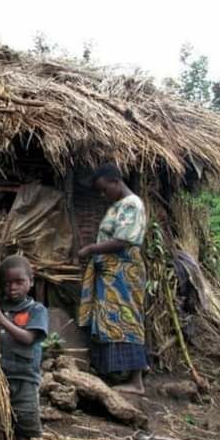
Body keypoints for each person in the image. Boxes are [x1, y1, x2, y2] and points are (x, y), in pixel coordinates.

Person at [77, 163, 148, 395]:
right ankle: (115, 373)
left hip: (124, 272)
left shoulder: (132, 204)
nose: (102, 194)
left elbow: (123, 241)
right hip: (112, 272)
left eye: (105, 189)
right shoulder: (119, 205)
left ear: (116, 181)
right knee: (112, 321)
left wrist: (90, 249)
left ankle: (137, 382)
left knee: (128, 320)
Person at [0, 255, 49, 440]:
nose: (12, 288)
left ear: (31, 282)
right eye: (7, 283)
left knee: (24, 428)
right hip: (1, 376)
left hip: (25, 379)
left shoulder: (37, 310)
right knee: (2, 423)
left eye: (19, 282)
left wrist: (1, 320)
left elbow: (27, 338)